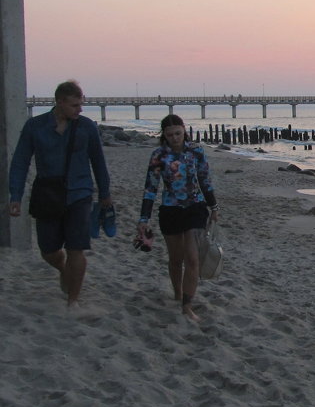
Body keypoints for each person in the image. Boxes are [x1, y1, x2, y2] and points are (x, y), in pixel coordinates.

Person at [7, 80, 112, 306]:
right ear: (60, 102)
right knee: (49, 250)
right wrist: (15, 195)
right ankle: (63, 268)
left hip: (80, 193)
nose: (80, 109)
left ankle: (72, 300)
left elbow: (98, 162)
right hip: (47, 193)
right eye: (75, 105)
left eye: (81, 104)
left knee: (77, 248)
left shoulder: (86, 127)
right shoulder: (35, 126)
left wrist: (105, 193)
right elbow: (20, 162)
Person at [138, 114, 218, 321]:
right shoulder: (159, 155)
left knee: (192, 259)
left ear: (184, 130)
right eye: (170, 134)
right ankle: (177, 293)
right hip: (170, 209)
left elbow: (204, 179)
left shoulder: (196, 151)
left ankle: (187, 305)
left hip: (195, 207)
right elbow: (150, 188)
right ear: (164, 135)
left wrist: (214, 206)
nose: (175, 138)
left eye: (178, 133)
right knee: (176, 259)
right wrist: (143, 219)